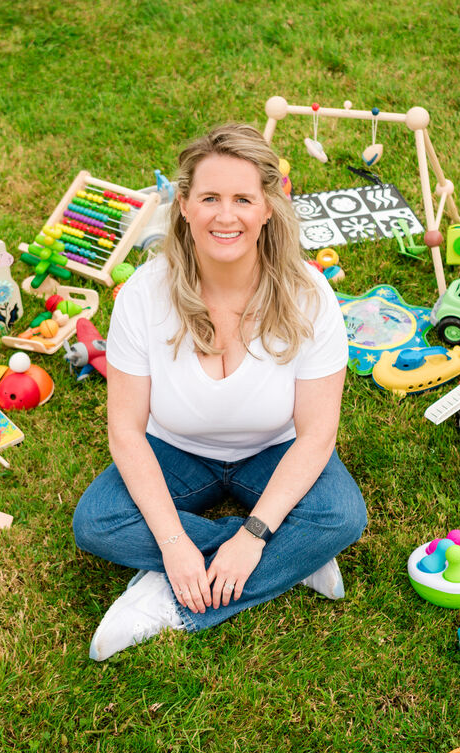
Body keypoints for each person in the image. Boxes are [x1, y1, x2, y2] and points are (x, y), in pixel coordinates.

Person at [72, 123, 368, 661]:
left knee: (340, 516)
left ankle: (170, 600)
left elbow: (317, 435)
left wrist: (252, 537)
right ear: (184, 206)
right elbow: (126, 431)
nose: (225, 216)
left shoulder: (310, 295)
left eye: (242, 199)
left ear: (267, 208)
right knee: (97, 522)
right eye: (210, 198)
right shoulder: (143, 295)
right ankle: (295, 556)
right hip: (176, 451)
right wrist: (174, 544)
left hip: (273, 450)